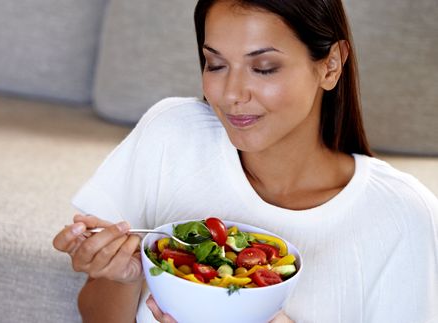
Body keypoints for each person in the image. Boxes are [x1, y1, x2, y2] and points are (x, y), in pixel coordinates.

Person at [53, 0, 438, 322]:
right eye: (215, 65)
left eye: (264, 68)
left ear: (330, 65)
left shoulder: (402, 216)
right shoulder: (171, 134)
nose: (232, 94)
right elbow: (96, 310)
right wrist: (122, 279)